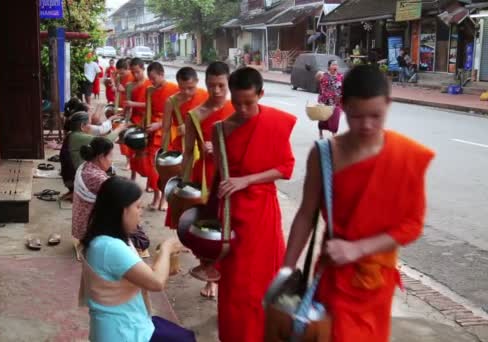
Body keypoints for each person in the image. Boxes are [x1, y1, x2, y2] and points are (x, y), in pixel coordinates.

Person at [283, 65, 434, 341]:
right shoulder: (325, 155)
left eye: (376, 116)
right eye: (356, 115)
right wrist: (286, 268)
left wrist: (358, 248)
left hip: (377, 282)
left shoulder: (406, 156)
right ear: (343, 107)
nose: (366, 125)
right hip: (332, 278)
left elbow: (411, 226)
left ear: (388, 104)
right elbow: (306, 214)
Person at [213, 67, 296, 341]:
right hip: (232, 212)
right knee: (235, 283)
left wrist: (247, 180)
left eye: (249, 102)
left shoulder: (274, 123)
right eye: (236, 103)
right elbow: (219, 175)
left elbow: (285, 168)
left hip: (263, 214)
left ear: (261, 94)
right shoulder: (222, 129)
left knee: (264, 281)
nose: (243, 109)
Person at [80, 176, 184, 341]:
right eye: (137, 207)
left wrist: (165, 269)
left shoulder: (109, 238)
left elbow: (138, 273)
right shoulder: (110, 247)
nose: (140, 212)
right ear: (122, 210)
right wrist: (166, 248)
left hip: (130, 322)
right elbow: (156, 283)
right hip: (122, 332)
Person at [183, 61, 234, 299]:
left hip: (230, 174)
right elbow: (187, 151)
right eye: (212, 85)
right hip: (205, 175)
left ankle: (227, 274)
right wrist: (182, 184)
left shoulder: (238, 108)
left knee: (229, 226)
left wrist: (224, 147)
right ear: (206, 84)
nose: (216, 91)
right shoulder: (195, 114)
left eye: (221, 85)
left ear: (229, 84)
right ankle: (209, 274)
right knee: (206, 228)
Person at [125, 58, 162, 207]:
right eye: (133, 72)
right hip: (143, 124)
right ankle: (137, 178)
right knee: (138, 157)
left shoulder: (164, 89)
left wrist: (158, 124)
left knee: (155, 165)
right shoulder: (135, 86)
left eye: (137, 72)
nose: (135, 74)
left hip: (161, 129)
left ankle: (159, 197)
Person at [72, 137, 114, 261]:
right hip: (90, 230)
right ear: (101, 157)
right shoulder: (96, 176)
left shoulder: (87, 165)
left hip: (83, 227)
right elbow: (118, 194)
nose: (112, 161)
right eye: (110, 156)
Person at [146, 61, 179, 210]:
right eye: (150, 79)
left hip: (168, 132)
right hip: (153, 132)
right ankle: (156, 196)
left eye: (154, 78)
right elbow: (149, 112)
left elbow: (178, 116)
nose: (152, 81)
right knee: (153, 167)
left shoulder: (174, 90)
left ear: (161, 74)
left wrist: (159, 125)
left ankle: (164, 198)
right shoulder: (150, 91)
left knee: (166, 168)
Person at [162, 67, 209, 153]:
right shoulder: (171, 102)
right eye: (182, 88)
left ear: (197, 81)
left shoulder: (205, 95)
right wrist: (164, 152)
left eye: (190, 88)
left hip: (202, 143)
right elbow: (165, 130)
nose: (186, 92)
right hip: (182, 145)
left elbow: (211, 121)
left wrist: (189, 127)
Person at [115, 59, 135, 170]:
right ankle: (128, 161)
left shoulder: (133, 78)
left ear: (128, 69)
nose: (121, 75)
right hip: (122, 108)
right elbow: (117, 93)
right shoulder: (119, 78)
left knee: (129, 136)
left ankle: (131, 161)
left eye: (122, 73)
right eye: (119, 73)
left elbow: (135, 95)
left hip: (132, 110)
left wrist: (123, 91)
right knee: (122, 137)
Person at [318, 60, 343, 139]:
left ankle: (334, 135)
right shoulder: (324, 75)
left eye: (336, 65)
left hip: (336, 101)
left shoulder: (341, 76)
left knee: (335, 118)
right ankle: (320, 132)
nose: (335, 66)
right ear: (329, 67)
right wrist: (318, 73)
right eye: (333, 65)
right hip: (325, 100)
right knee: (323, 119)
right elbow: (317, 77)